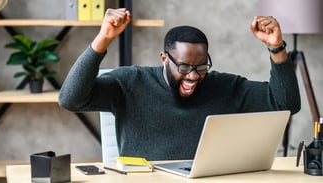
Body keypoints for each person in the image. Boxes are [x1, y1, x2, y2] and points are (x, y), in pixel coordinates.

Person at [59, 8, 300, 160]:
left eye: (201, 67)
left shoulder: (224, 87)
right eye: (184, 67)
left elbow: (285, 104)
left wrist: (276, 48)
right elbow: (70, 99)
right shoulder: (130, 82)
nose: (193, 76)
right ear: (164, 58)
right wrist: (102, 40)